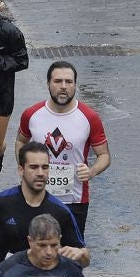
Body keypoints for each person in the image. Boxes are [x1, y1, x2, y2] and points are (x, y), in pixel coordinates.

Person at [16, 62, 110, 236]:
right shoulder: (31, 114)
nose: (63, 87)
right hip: (37, 196)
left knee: (72, 255)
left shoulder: (89, 117)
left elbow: (104, 155)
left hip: (75, 199)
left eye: (69, 82)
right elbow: (21, 142)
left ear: (75, 84)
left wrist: (92, 171)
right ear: (48, 84)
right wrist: (24, 167)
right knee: (38, 249)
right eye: (58, 81)